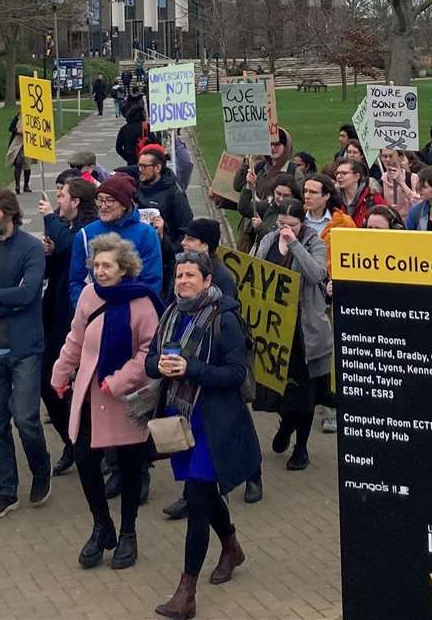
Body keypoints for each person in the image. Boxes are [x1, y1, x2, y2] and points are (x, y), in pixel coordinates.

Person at [147, 252, 262, 619]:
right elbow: (150, 360)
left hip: (213, 423)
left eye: (190, 276)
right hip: (179, 419)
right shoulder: (170, 314)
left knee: (197, 499)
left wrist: (191, 368)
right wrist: (161, 366)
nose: (182, 281)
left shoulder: (223, 318)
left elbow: (234, 374)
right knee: (205, 493)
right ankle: (231, 546)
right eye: (179, 275)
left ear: (208, 280)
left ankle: (187, 592)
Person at [50, 235, 161, 571]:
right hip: (88, 394)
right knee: (84, 458)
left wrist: (119, 381)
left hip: (123, 399)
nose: (100, 271)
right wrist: (60, 373)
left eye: (107, 266)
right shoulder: (88, 295)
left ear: (123, 267)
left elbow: (148, 352)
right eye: (96, 265)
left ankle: (129, 533)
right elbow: (75, 338)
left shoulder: (141, 302)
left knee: (128, 467)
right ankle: (102, 526)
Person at [0, 188, 51, 519]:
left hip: (25, 348)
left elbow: (28, 294)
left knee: (27, 419)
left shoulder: (31, 248)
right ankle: (6, 489)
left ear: (10, 213)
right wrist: (4, 299)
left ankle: (40, 470)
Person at [254, 200, 333, 471]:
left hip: (305, 331)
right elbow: (256, 271)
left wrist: (295, 245)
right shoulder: (267, 240)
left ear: (303, 224)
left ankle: (301, 447)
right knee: (280, 387)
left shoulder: (313, 243)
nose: (285, 229)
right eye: (282, 224)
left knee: (306, 393)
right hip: (277, 329)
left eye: (292, 225)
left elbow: (317, 274)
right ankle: (286, 423)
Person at [40, 175, 98, 472]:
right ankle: (72, 441)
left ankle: (91, 448)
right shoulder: (69, 229)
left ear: (76, 201)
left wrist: (50, 216)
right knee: (48, 383)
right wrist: (49, 253)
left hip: (76, 321)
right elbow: (59, 260)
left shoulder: (87, 231)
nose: (57, 199)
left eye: (61, 195)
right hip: (56, 314)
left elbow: (71, 246)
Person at [67, 174, 163, 309]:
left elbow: (152, 281)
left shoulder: (147, 234)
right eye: (99, 200)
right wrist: (85, 310)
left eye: (109, 200)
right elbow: (76, 281)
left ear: (124, 204)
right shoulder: (85, 234)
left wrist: (133, 313)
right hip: (95, 314)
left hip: (134, 313)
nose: (102, 206)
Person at [137, 144, 194, 253]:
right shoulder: (139, 186)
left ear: (157, 168)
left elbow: (185, 227)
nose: (140, 170)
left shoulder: (175, 193)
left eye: (144, 166)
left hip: (165, 254)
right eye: (139, 165)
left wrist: (171, 250)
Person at [332, 156, 381, 224]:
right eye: (337, 173)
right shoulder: (333, 200)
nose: (338, 176)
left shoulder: (374, 199)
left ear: (356, 176)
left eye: (344, 173)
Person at [116, 103, 151, 168]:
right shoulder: (146, 126)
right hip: (147, 160)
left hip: (131, 162)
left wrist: (127, 157)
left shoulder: (124, 129)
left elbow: (118, 148)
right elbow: (156, 143)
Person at [6, 113, 32, 193]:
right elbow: (10, 128)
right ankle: (17, 185)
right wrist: (18, 130)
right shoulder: (18, 117)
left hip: (28, 142)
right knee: (18, 162)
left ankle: (26, 185)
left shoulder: (33, 116)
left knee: (27, 164)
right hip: (17, 143)